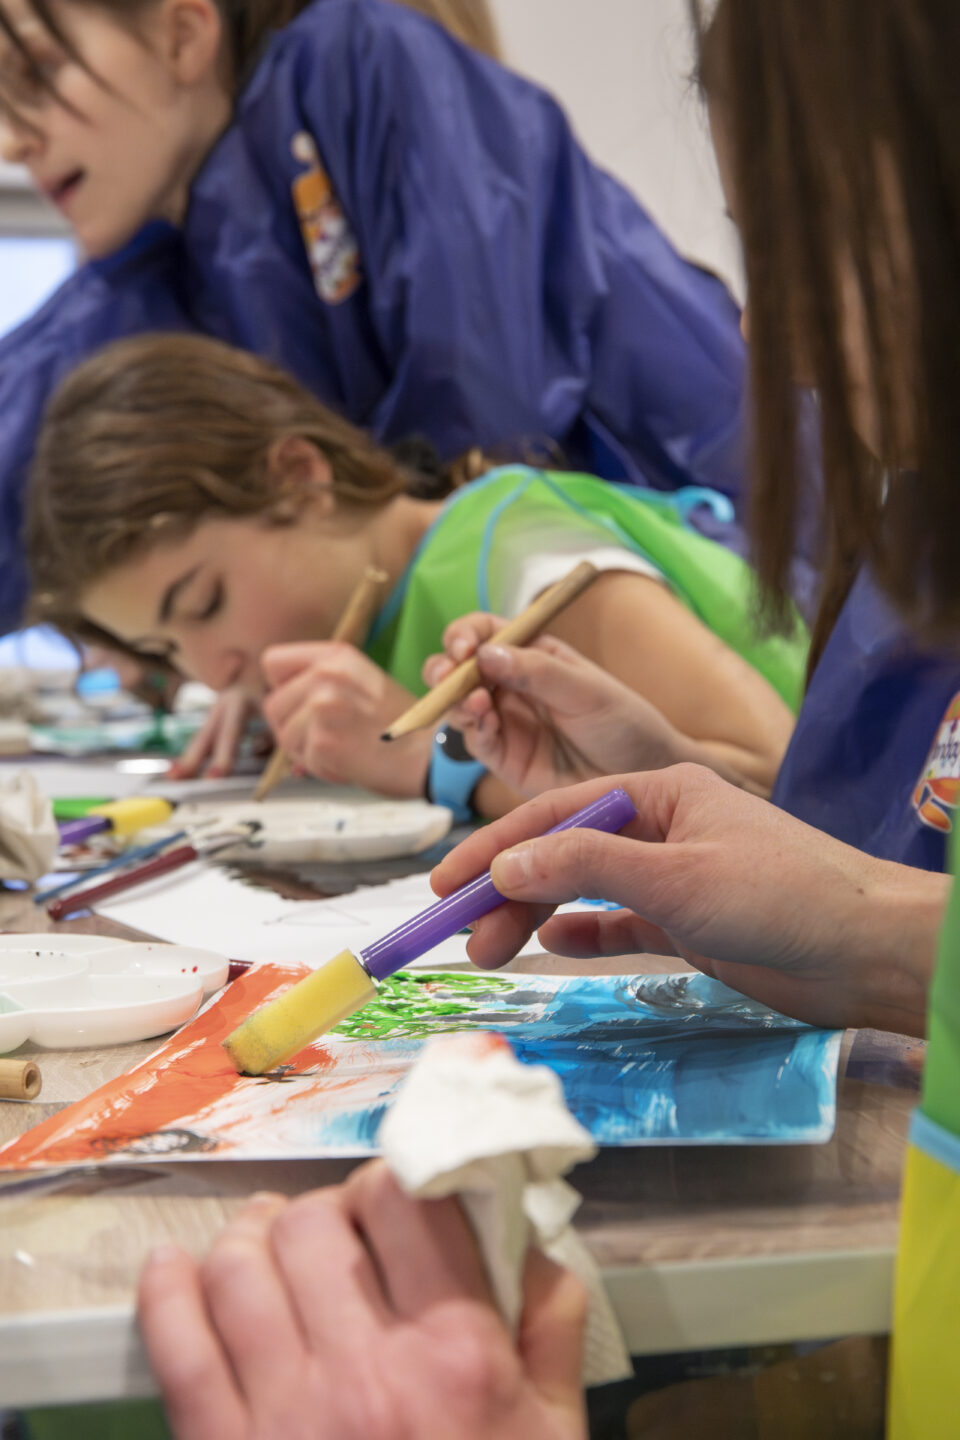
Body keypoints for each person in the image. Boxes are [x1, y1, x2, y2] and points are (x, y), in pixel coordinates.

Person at [136, 0, 960, 1434]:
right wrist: (685, 789)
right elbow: (876, 830)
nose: (760, 323)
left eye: (809, 214)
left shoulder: (497, 527)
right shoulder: (917, 522)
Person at [0, 0, 749, 647]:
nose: (12, 141)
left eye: (36, 75)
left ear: (184, 34)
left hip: (738, 566)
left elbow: (482, 414)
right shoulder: (171, 255)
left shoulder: (355, 61)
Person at [26, 331, 805, 812]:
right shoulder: (367, 624)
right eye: (163, 651)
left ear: (301, 475)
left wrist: (428, 763)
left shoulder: (517, 552)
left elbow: (786, 800)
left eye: (204, 602)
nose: (209, 669)